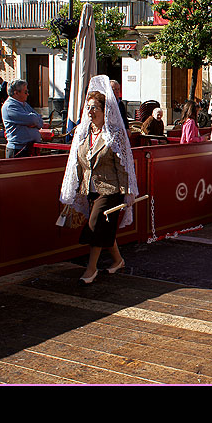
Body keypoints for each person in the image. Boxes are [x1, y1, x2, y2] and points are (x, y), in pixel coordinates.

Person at [59, 75, 139, 285]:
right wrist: (73, 187)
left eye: (95, 107)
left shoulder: (114, 134)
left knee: (95, 226)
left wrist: (128, 191)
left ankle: (91, 269)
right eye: (88, 107)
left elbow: (123, 166)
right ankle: (118, 260)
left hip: (111, 190)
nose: (90, 111)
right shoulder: (83, 133)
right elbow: (77, 162)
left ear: (105, 111)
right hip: (90, 189)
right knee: (105, 228)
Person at [1, 79, 44, 158]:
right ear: (16, 93)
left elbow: (40, 120)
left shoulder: (24, 104)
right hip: (18, 150)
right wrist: (34, 121)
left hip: (29, 148)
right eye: (25, 92)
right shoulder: (10, 107)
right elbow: (32, 119)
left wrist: (35, 122)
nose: (27, 94)